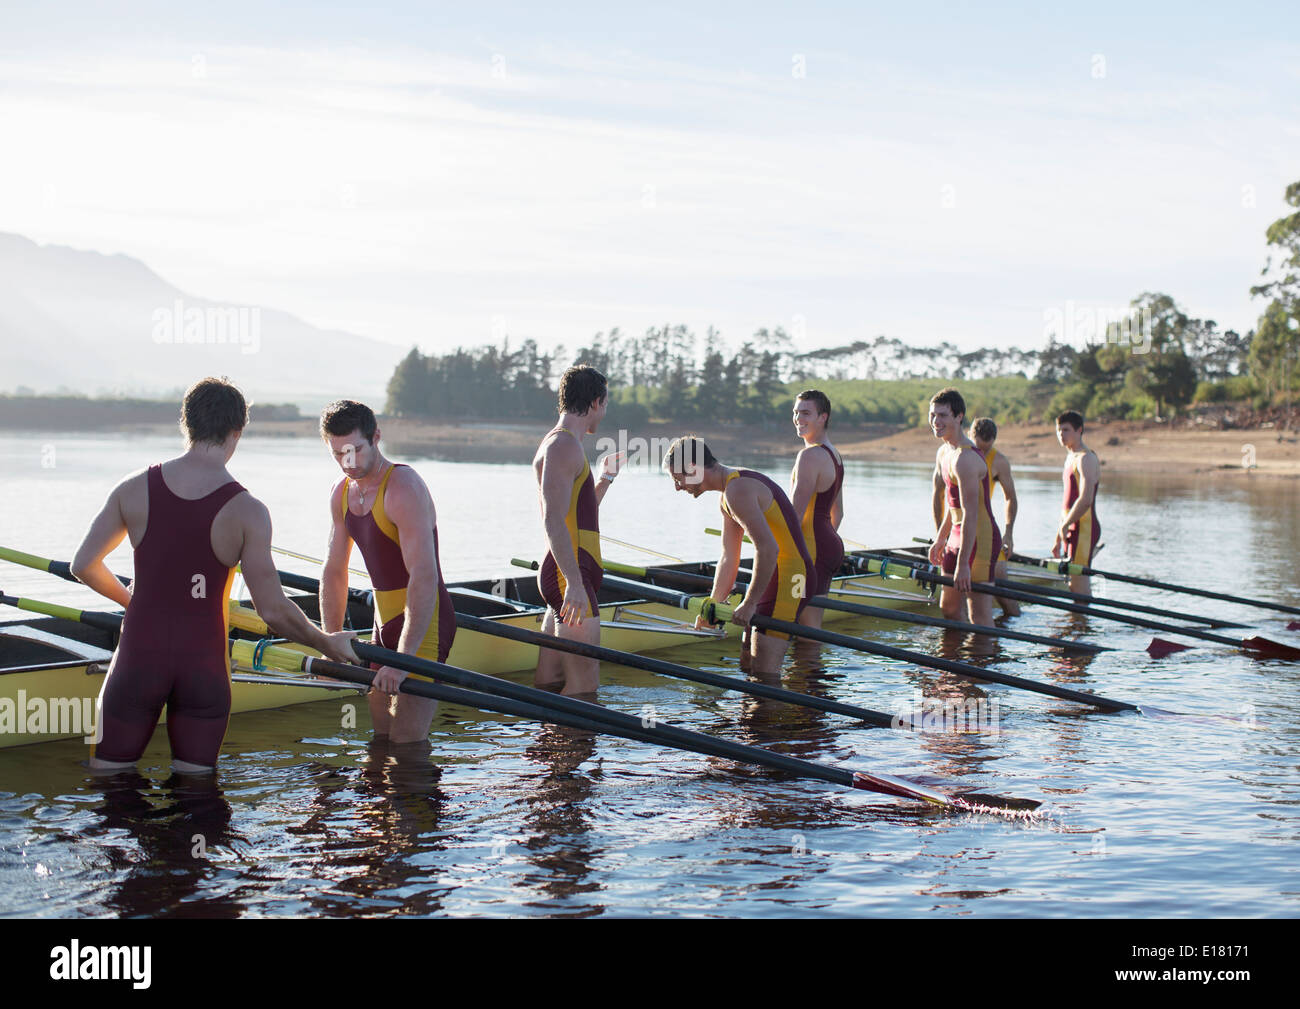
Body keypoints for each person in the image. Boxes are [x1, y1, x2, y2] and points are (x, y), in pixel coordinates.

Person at [71, 377, 358, 774]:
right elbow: (273, 611)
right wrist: (326, 642)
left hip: (138, 661)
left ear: (185, 424)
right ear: (236, 432)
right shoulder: (248, 511)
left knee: (109, 788)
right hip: (203, 671)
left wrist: (134, 600)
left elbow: (83, 565)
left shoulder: (132, 488)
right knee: (196, 796)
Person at [319, 400, 457, 744]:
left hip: (425, 624)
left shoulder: (403, 487)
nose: (348, 462)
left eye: (354, 450)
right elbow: (335, 571)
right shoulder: (340, 493)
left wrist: (404, 660)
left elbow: (423, 577)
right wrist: (330, 642)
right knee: (381, 739)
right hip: (384, 624)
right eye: (338, 454)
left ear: (376, 437)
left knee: (406, 746)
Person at [664, 436, 812, 675]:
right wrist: (710, 607)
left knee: (764, 674)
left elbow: (768, 549)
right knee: (747, 663)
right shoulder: (727, 495)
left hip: (792, 578)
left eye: (677, 479)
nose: (678, 487)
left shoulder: (738, 489)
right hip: (776, 577)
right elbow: (728, 557)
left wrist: (750, 602)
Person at [532, 365, 621, 696]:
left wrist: (605, 480)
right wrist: (574, 583)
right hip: (569, 577)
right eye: (606, 404)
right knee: (584, 689)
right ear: (596, 402)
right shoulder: (564, 446)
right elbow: (553, 518)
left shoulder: (562, 445)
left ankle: (544, 747)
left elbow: (576, 515)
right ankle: (571, 749)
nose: (605, 412)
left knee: (551, 683)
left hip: (567, 574)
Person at [926, 388, 1001, 627]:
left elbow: (971, 513)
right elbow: (953, 505)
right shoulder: (944, 452)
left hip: (980, 538)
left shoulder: (966, 459)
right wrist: (940, 539)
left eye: (943, 415)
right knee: (948, 609)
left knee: (978, 616)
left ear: (959, 417)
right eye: (933, 415)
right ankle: (952, 660)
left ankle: (984, 661)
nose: (936, 422)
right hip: (956, 536)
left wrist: (963, 565)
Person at [789, 390, 844, 629]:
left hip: (809, 552)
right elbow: (838, 513)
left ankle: (807, 667)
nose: (798, 418)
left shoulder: (810, 456)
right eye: (796, 412)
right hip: (825, 547)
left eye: (806, 413)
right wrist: (822, 543)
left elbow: (794, 515)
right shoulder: (834, 454)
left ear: (823, 417)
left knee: (805, 631)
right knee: (810, 628)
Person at [969, 417, 1020, 616]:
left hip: (986, 531)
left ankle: (1014, 628)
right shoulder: (959, 452)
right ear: (970, 435)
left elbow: (1011, 499)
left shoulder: (999, 461)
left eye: (987, 449)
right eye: (979, 448)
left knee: (1000, 586)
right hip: (962, 529)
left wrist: (1009, 534)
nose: (982, 454)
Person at [1052, 410, 1101, 594]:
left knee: (1079, 589)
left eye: (1066, 430)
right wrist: (1059, 534)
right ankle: (1076, 623)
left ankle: (1082, 621)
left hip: (1085, 528)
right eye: (1059, 430)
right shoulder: (1070, 458)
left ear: (1079, 430)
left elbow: (1086, 499)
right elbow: (1067, 503)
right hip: (1072, 526)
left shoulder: (1086, 458)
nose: (1061, 435)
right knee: (1073, 585)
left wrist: (1065, 525)